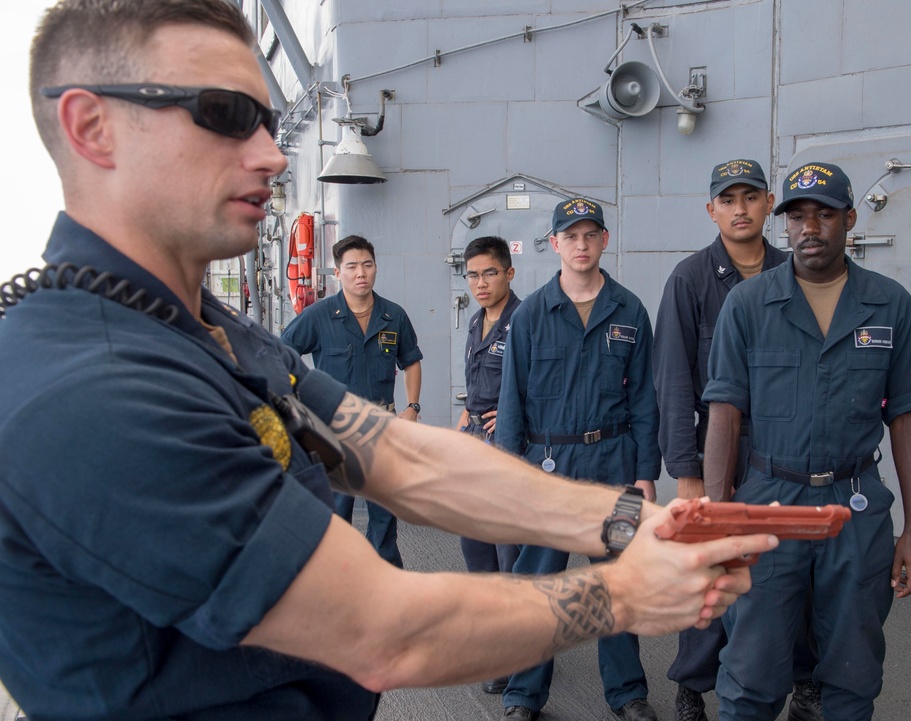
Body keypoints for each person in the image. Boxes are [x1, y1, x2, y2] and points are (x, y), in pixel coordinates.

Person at [0, 2, 778, 720]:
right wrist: (624, 592)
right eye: (226, 115)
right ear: (92, 126)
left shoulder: (202, 327)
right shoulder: (94, 388)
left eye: (268, 120)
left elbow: (394, 453)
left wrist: (620, 519)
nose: (271, 153)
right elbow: (381, 629)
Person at [702, 162, 911, 721]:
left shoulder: (890, 304)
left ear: (849, 220)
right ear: (784, 225)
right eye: (798, 216)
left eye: (824, 214)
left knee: (852, 675)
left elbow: (906, 416)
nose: (810, 227)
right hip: (767, 505)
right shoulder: (749, 305)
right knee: (751, 675)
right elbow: (724, 414)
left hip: (856, 509)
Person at [652, 160, 822, 721]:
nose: (741, 209)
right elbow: (674, 380)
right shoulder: (691, 278)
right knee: (717, 575)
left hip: (786, 454)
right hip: (719, 451)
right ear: (712, 211)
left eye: (751, 197)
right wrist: (688, 471)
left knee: (791, 572)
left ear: (770, 203)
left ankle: (804, 681)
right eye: (728, 200)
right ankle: (694, 684)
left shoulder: (798, 272)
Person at [495, 198, 661, 721]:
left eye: (591, 235)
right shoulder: (529, 315)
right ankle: (523, 695)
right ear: (555, 244)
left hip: (614, 467)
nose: (582, 245)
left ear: (604, 241)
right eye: (572, 236)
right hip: (548, 466)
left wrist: (645, 474)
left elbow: (644, 400)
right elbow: (510, 401)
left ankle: (628, 693)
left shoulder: (629, 310)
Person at [282, 234, 422, 568]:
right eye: (352, 266)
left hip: (382, 427)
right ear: (338, 272)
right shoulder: (319, 315)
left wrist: (412, 408)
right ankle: (336, 581)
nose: (361, 273)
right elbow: (282, 351)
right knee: (335, 511)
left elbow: (411, 361)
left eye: (367, 265)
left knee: (385, 513)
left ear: (375, 268)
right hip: (334, 428)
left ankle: (386, 579)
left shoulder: (393, 315)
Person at [456, 235, 522, 694]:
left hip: (507, 445)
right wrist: (464, 420)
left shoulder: (526, 320)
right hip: (475, 439)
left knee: (507, 550)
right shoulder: (475, 321)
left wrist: (514, 413)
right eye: (473, 274)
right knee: (474, 542)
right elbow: (474, 382)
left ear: (509, 273)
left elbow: (544, 383)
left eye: (490, 273)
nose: (480, 283)